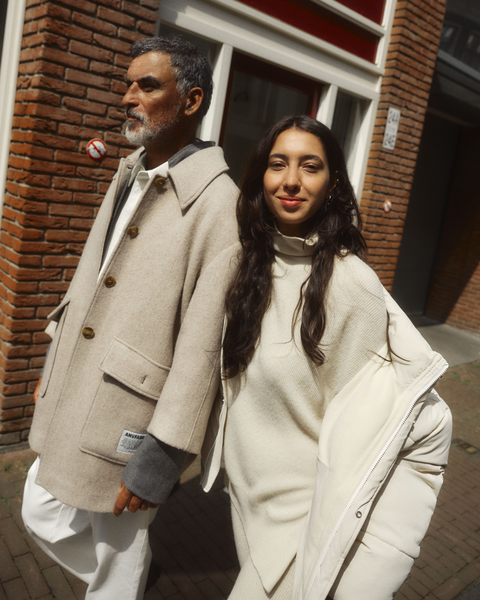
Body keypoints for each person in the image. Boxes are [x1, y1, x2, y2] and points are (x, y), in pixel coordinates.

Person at [22, 37, 239, 599]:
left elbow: (203, 347)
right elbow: (87, 281)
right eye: (127, 84)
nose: (127, 97)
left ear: (191, 101)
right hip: (81, 385)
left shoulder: (221, 206)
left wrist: (162, 457)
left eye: (147, 85)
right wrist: (54, 362)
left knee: (117, 553)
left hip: (133, 414)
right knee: (39, 508)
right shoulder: (130, 171)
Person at [201, 115, 452, 600]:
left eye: (310, 166)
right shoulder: (246, 262)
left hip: (301, 526)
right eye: (278, 164)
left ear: (333, 182)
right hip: (247, 503)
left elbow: (363, 438)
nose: (291, 180)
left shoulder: (352, 285)